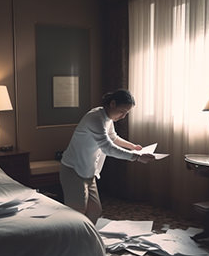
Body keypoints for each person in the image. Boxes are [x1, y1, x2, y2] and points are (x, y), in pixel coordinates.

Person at [60, 88, 154, 224]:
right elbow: (108, 148)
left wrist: (132, 146)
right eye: (122, 111)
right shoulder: (95, 118)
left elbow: (112, 137)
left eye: (126, 113)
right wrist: (136, 157)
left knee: (94, 210)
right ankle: (72, 239)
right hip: (73, 170)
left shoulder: (107, 118)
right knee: (78, 211)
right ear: (112, 104)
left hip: (88, 171)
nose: (123, 116)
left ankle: (85, 238)